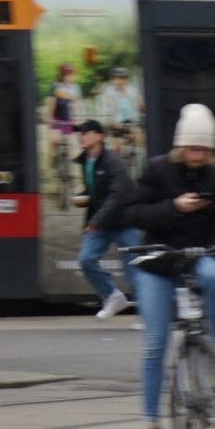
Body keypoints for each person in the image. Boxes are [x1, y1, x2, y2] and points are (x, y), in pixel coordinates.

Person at [114, 103, 215, 429]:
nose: (198, 156)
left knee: (213, 274)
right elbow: (132, 213)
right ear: (180, 146)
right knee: (156, 342)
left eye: (204, 150)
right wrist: (174, 207)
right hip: (159, 261)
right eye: (193, 148)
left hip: (201, 253)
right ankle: (150, 426)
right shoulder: (158, 170)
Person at [73, 118, 136, 319]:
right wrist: (84, 196)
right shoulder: (86, 161)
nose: (81, 137)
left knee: (134, 267)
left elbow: (118, 195)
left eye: (86, 133)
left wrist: (95, 222)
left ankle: (149, 314)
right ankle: (112, 295)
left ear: (99, 137)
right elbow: (97, 189)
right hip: (101, 219)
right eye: (80, 133)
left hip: (124, 220)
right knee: (86, 259)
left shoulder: (113, 161)